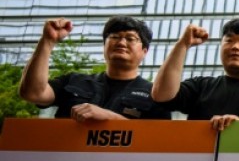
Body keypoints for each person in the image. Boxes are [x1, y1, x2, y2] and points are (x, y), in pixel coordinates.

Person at [19, 16, 169, 121]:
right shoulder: (73, 81)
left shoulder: (156, 95)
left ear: (144, 51)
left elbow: (159, 141)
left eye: (130, 38)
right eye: (115, 37)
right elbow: (33, 93)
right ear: (105, 45)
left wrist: (110, 118)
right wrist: (47, 41)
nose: (121, 42)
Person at [151, 19, 239, 130]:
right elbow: (161, 95)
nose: (235, 47)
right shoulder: (202, 86)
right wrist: (183, 44)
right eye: (229, 40)